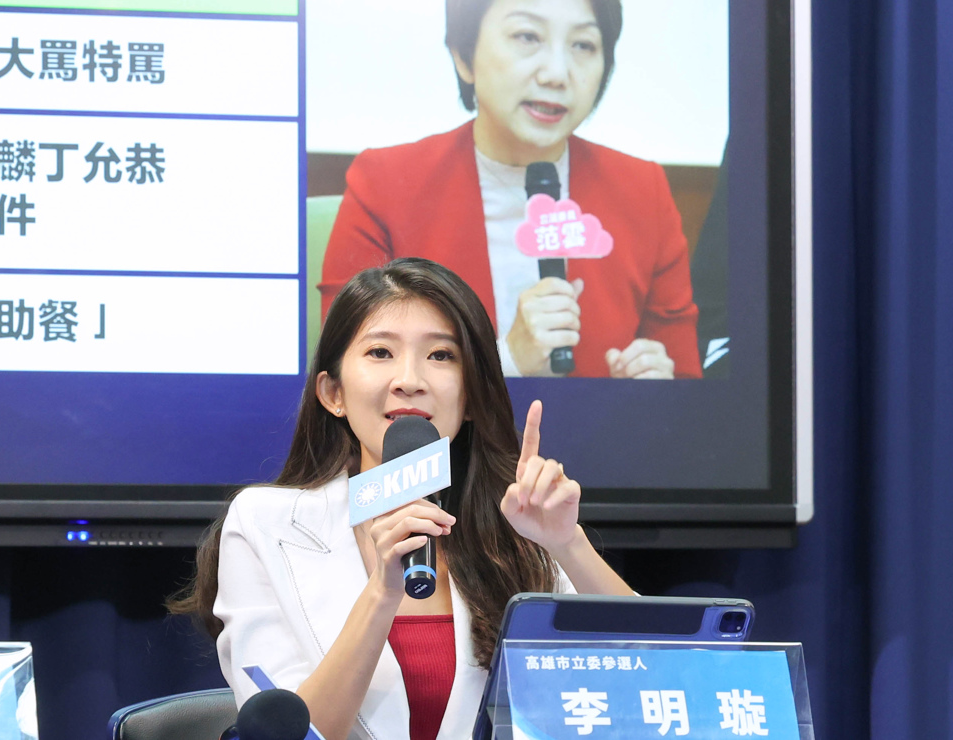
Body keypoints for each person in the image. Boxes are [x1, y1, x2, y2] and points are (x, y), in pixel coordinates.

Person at [169, 258, 634, 740]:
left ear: (471, 397)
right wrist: (382, 593)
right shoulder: (267, 525)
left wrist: (566, 544)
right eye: (380, 352)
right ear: (333, 392)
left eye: (441, 355)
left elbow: (653, 671)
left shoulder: (515, 524)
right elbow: (286, 731)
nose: (410, 379)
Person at [319, 0, 701, 379]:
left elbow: (687, 381)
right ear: (464, 56)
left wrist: (655, 389)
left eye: (583, 45)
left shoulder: (642, 191)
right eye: (527, 36)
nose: (557, 74)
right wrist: (508, 360)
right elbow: (349, 376)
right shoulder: (385, 184)